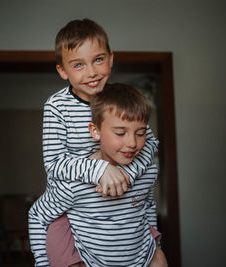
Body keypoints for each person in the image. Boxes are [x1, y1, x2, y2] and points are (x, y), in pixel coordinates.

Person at [28, 19, 159, 266]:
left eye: (98, 60)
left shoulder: (120, 101)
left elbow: (149, 144)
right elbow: (55, 164)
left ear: (111, 59)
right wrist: (100, 169)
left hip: (119, 203)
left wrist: (124, 174)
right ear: (62, 71)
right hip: (69, 202)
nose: (91, 72)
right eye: (78, 65)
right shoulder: (57, 106)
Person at [32, 84, 168, 266]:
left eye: (141, 133)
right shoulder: (75, 183)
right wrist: (42, 263)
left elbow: (148, 206)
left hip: (143, 259)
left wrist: (156, 247)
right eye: (120, 133)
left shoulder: (148, 172)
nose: (132, 143)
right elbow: (38, 216)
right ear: (95, 131)